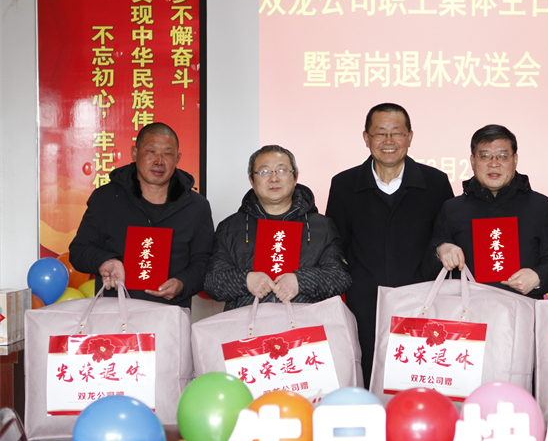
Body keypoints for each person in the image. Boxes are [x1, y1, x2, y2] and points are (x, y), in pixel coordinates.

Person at [326, 103, 454, 386]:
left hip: (422, 301)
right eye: (380, 133)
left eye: (396, 133)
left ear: (409, 137)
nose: (388, 141)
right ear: (366, 138)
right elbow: (336, 247)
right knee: (368, 376)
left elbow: (445, 240)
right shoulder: (344, 184)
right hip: (364, 304)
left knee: (420, 377)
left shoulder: (435, 183)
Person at [69, 122, 214, 308]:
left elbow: (204, 260)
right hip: (116, 313)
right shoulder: (106, 198)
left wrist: (183, 283)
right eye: (151, 152)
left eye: (167, 154)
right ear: (135, 153)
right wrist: (105, 260)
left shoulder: (196, 206)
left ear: (177, 158)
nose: (159, 161)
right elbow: (79, 250)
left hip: (169, 314)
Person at [204, 145, 351, 311]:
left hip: (305, 324)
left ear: (295, 177)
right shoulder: (230, 227)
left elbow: (340, 277)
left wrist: (301, 281)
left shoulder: (322, 226)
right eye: (264, 172)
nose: (274, 178)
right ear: (252, 180)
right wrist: (245, 280)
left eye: (282, 171)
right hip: (246, 324)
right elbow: (211, 282)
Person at [426, 124, 548, 298]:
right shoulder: (452, 209)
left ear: (515, 160)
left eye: (503, 156)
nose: (494, 163)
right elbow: (428, 270)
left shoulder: (540, 206)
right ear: (472, 161)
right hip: (468, 311)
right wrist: (440, 250)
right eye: (485, 156)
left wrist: (538, 277)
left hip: (523, 308)